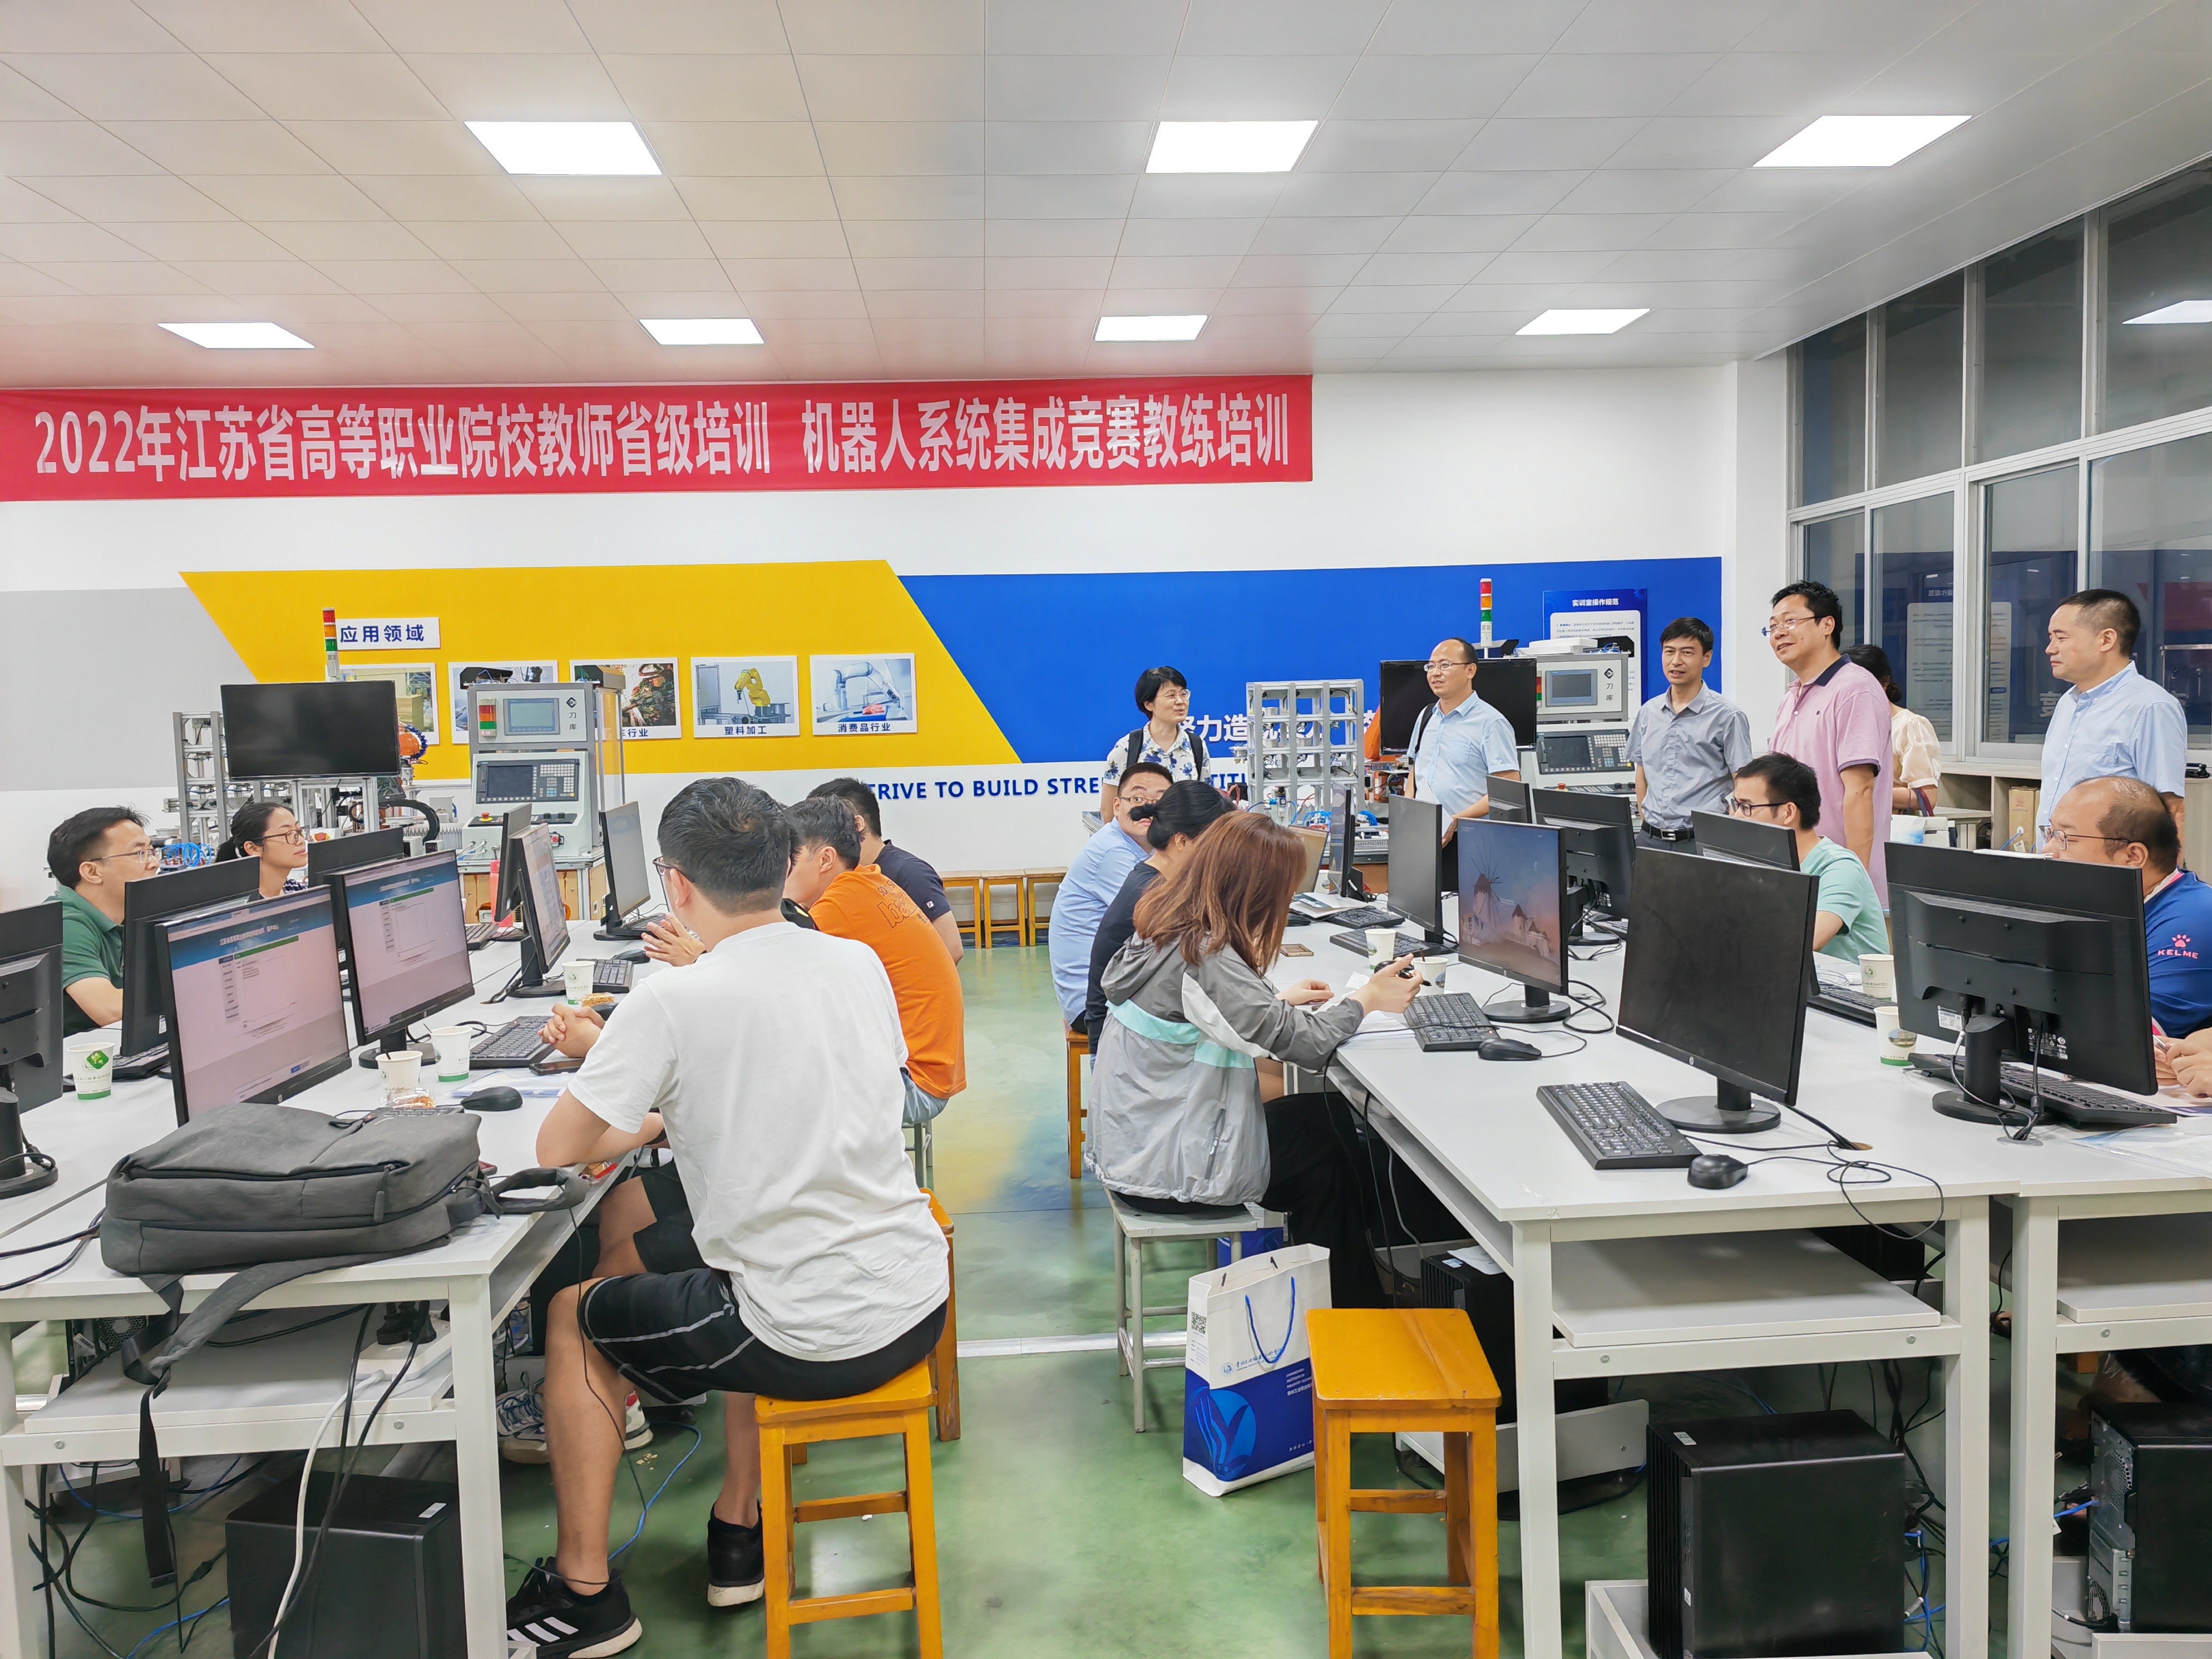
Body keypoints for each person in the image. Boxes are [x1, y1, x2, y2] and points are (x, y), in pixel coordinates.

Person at [505, 779, 947, 1653]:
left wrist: (626, 1077)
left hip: (803, 1333)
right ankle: (737, 1530)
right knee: (740, 1268)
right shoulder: (851, 962)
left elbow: (560, 1145)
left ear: (676, 884)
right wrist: (662, 1101)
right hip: (914, 1300)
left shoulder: (675, 1000)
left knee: (572, 1315)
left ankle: (584, 1591)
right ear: (786, 865)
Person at [1091, 812, 1422, 1309]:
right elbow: (1306, 1046)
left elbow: (1201, 1016)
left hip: (1138, 1145)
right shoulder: (1205, 953)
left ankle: (1350, 1299)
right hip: (1168, 1170)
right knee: (1328, 1140)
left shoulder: (1165, 927)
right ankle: (1354, 1309)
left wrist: (1276, 1004)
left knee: (1325, 1128)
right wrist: (1368, 999)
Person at [783, 797, 965, 1125]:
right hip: (933, 1071)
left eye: (789, 861)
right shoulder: (870, 882)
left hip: (912, 1084)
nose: (780, 873)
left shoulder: (837, 906)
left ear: (825, 859)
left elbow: (769, 969)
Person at [2045, 777, 2212, 1043]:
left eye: (2066, 838)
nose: (2048, 851)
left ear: (2133, 857)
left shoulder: (2195, 918)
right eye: (2051, 833)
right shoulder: (2099, 904)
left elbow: (2129, 1041)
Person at [1766, 581, 1894, 903]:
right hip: (1796, 871)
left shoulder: (1855, 689)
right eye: (1773, 626)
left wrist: (1853, 883)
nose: (1779, 633)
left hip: (1838, 880)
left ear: (1827, 625)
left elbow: (1860, 791)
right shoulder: (1791, 698)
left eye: (1790, 621)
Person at [1083, 780, 1234, 1048]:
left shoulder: (1156, 880)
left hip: (1129, 1028)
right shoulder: (1156, 895)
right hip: (1127, 1040)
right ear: (1182, 841)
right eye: (1216, 845)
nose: (1221, 856)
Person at [2039, 589, 2187, 844]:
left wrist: (2168, 871)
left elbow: (2170, 810)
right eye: (2051, 638)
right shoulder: (2067, 704)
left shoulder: (2151, 707)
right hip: (2053, 858)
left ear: (2106, 640)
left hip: (2111, 864)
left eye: (2061, 638)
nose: (2050, 649)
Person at [1729, 753, 1887, 963]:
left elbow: (1808, 940)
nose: (1737, 817)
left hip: (1848, 983)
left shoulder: (1840, 868)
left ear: (1788, 812)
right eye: (1736, 805)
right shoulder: (1766, 864)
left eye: (1747, 807)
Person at [1050, 761, 1172, 1025]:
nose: (1147, 809)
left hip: (1113, 983)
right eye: (1137, 798)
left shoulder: (1143, 846)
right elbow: (1162, 922)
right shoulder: (1113, 852)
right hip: (1092, 1003)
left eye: (1159, 801)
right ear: (1117, 806)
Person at [806, 776, 963, 962]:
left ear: (857, 825)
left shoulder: (910, 873)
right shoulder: (847, 876)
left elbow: (952, 949)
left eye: (822, 827)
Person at [1628, 616, 1753, 849]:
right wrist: (1646, 820)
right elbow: (1642, 772)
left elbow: (1743, 781)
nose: (1676, 661)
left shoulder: (1727, 716)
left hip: (1704, 840)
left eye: (1687, 653)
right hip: (1651, 839)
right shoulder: (1648, 712)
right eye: (1669, 652)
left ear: (1707, 658)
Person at [46, 806, 159, 1035]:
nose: (154, 863)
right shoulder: (64, 925)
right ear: (92, 872)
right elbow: (108, 1009)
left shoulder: (134, 914)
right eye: (140, 854)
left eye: (151, 851)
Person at [1408, 638, 1521, 844]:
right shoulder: (1426, 716)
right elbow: (1416, 771)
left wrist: (1456, 821)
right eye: (1431, 666)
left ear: (1470, 671)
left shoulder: (1491, 723)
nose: (1435, 673)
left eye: (1445, 665)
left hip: (1470, 839)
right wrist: (1408, 813)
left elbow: (1507, 791)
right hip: (1424, 836)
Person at [1843, 643, 1941, 816]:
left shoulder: (1909, 725)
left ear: (1884, 683)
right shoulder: (1845, 724)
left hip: (1891, 825)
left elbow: (1927, 797)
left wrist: (1863, 790)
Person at [1098, 666, 1208, 817]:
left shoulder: (1197, 746)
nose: (1180, 701)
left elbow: (1204, 804)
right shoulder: (1127, 748)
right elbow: (1108, 810)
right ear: (1148, 704)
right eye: (1171, 695)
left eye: (1183, 694)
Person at [215, 800, 310, 899]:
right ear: (253, 848)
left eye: (299, 831)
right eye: (287, 834)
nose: (301, 841)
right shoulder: (240, 904)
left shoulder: (297, 890)